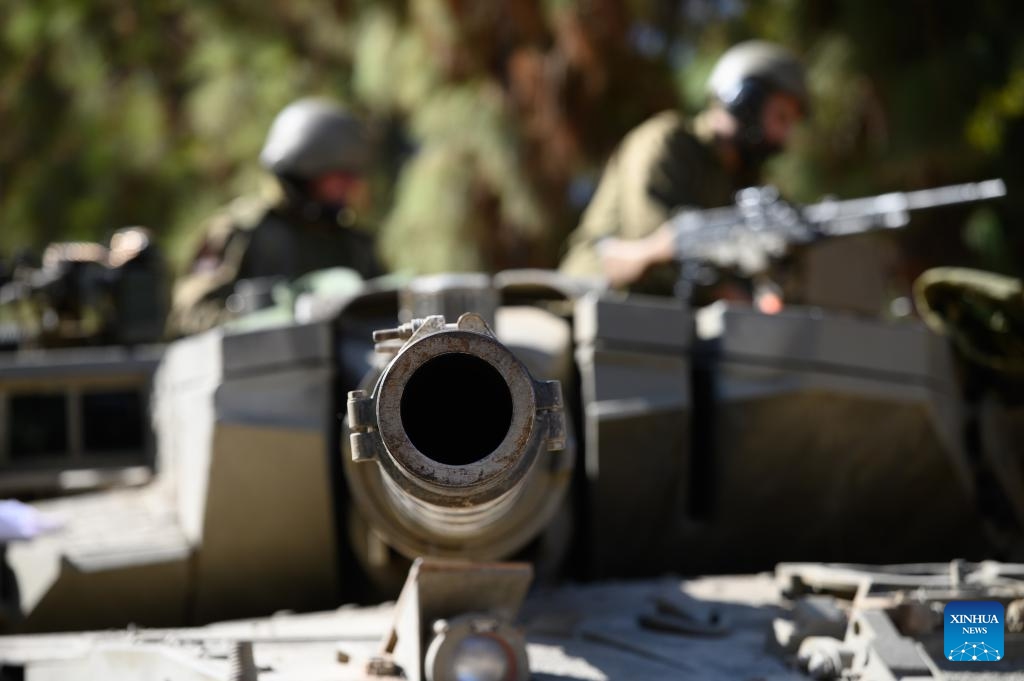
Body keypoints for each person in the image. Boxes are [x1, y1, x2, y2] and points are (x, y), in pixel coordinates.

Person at [559, 41, 808, 295]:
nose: (784, 136)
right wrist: (726, 288)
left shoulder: (743, 181)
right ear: (745, 100)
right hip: (595, 298)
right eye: (781, 117)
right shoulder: (667, 141)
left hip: (668, 313)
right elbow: (652, 242)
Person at [169, 98, 383, 334]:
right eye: (340, 175)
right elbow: (190, 313)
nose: (351, 186)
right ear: (305, 171)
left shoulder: (351, 244)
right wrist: (259, 323)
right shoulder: (243, 232)